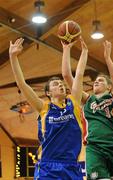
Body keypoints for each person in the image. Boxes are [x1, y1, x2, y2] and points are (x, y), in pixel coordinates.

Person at [9, 37, 88, 179]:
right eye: (56, 84)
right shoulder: (44, 107)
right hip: (48, 168)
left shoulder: (73, 104)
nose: (61, 85)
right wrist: (13, 57)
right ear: (48, 93)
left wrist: (72, 50)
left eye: (62, 84)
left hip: (71, 166)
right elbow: (22, 84)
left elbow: (80, 75)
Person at [62, 40, 113, 180]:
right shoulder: (87, 100)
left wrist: (107, 58)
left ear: (109, 87)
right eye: (95, 81)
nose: (96, 82)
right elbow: (68, 76)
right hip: (94, 147)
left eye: (101, 80)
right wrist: (66, 50)